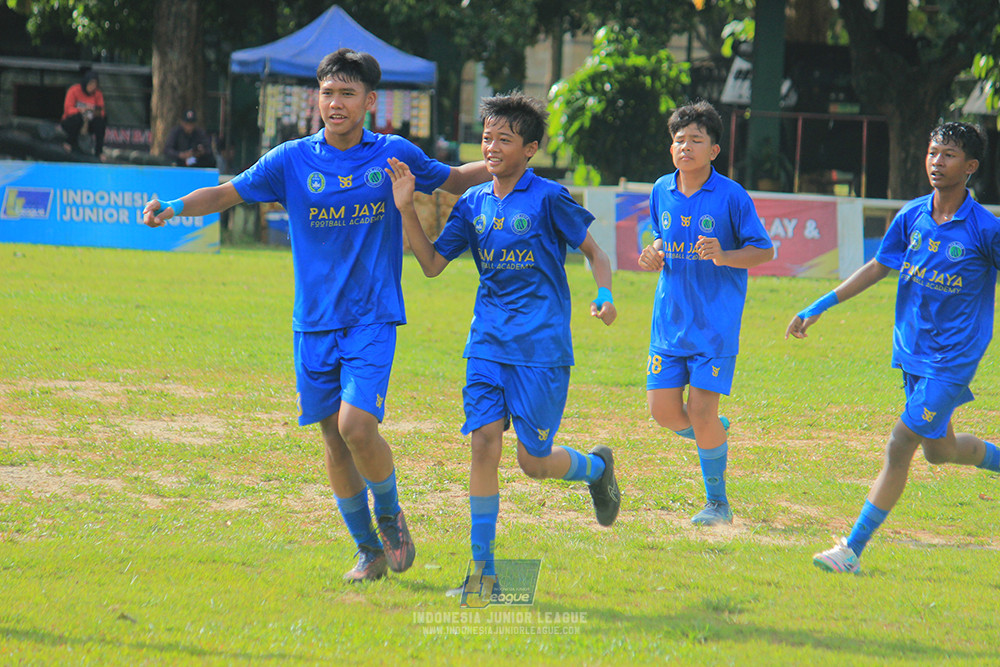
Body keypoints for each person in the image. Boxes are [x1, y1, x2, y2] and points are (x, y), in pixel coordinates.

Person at [141, 48, 489, 583]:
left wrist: (506, 157)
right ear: (316, 99)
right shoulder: (292, 159)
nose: (335, 103)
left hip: (372, 316)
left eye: (348, 94)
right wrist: (174, 208)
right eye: (327, 93)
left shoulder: (393, 153)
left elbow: (455, 179)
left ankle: (391, 515)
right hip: (313, 322)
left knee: (357, 425)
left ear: (370, 101)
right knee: (332, 435)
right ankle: (367, 550)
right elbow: (228, 192)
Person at [385, 91, 621, 598]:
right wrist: (407, 208)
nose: (491, 148)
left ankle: (597, 468)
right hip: (486, 344)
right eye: (487, 138)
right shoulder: (471, 203)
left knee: (532, 463)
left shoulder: (550, 197)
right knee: (483, 445)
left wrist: (603, 295)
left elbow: (596, 254)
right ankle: (482, 574)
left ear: (530, 148)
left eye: (504, 139)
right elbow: (430, 264)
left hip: (541, 350)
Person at [787, 121, 1000, 574]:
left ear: (971, 167)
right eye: (933, 152)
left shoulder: (986, 229)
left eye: (948, 155)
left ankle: (851, 550)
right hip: (912, 353)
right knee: (938, 451)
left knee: (900, 444)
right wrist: (819, 305)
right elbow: (877, 267)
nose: (937, 162)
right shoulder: (911, 216)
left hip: (953, 361)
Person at [637, 100, 774, 527]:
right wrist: (652, 252)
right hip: (669, 323)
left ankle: (718, 504)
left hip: (714, 327)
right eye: (679, 140)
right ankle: (715, 431)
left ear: (714, 150)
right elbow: (659, 236)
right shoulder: (661, 189)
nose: (686, 147)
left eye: (696, 140)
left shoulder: (732, 196)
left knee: (699, 409)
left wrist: (725, 254)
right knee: (662, 411)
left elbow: (764, 250)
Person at [61, 70, 107, 160]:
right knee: (77, 119)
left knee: (101, 122)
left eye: (94, 85)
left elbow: (102, 112)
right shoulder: (74, 90)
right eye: (90, 84)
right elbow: (68, 109)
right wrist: (82, 110)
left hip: (89, 121)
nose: (92, 87)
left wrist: (93, 111)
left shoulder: (98, 94)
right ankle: (69, 142)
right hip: (73, 121)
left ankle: (99, 151)